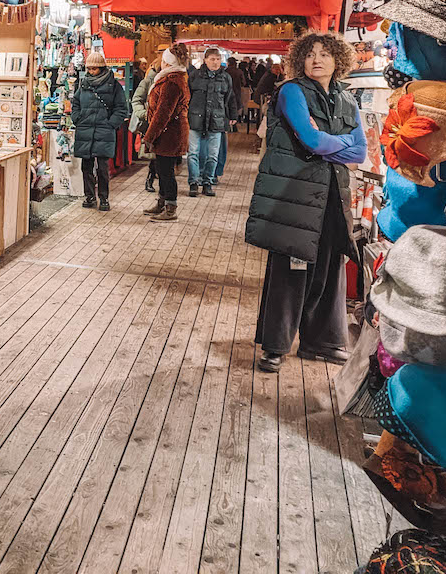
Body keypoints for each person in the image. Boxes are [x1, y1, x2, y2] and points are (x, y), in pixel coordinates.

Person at [245, 32, 365, 373]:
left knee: (330, 267)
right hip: (295, 194)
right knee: (290, 271)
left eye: (325, 54)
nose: (317, 59)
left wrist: (328, 143)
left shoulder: (347, 99)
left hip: (332, 193)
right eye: (311, 53)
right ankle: (276, 346)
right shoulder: (291, 91)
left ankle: (322, 342)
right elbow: (310, 140)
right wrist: (332, 143)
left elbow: (360, 151)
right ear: (300, 59)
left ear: (337, 60)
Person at [71, 52, 129, 211]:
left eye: (94, 68)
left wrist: (111, 124)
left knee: (102, 168)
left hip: (103, 131)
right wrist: (77, 118)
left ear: (102, 68)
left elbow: (121, 109)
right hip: (86, 129)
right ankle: (89, 196)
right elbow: (75, 103)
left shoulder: (113, 85)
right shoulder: (84, 84)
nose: (90, 71)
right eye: (88, 68)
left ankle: (104, 198)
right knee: (86, 166)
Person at [143, 44, 191, 222]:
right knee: (161, 169)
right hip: (167, 133)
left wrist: (149, 136)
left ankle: (171, 208)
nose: (161, 63)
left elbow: (163, 113)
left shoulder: (172, 82)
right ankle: (162, 202)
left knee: (166, 172)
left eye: (163, 60)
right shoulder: (171, 78)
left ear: (168, 63)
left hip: (170, 134)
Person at [186, 48, 237, 198]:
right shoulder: (194, 76)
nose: (215, 62)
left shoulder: (226, 77)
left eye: (218, 59)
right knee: (193, 153)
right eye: (212, 59)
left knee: (213, 154)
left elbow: (230, 97)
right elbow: (188, 96)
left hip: (217, 120)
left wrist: (232, 115)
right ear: (205, 60)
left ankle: (207, 182)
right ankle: (194, 183)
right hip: (195, 119)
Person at [130, 54, 160, 192]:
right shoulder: (148, 81)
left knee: (160, 155)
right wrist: (144, 114)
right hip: (151, 123)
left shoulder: (171, 82)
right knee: (154, 155)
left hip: (165, 124)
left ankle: (155, 180)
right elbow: (136, 100)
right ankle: (150, 180)